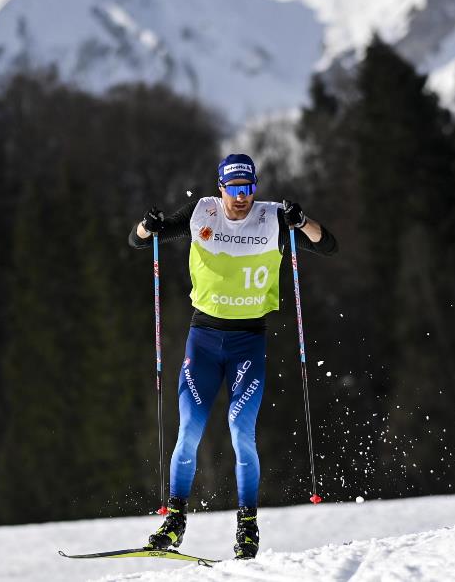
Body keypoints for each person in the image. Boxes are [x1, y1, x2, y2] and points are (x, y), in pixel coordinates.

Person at [129, 153, 338, 558]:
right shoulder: (201, 212)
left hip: (248, 342)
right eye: (234, 189)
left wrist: (302, 221)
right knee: (189, 429)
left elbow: (327, 245)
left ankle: (247, 527)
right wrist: (147, 224)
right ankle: (174, 521)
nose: (241, 198)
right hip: (203, 339)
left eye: (248, 188)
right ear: (220, 188)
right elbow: (139, 240)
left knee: (241, 429)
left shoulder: (273, 218)